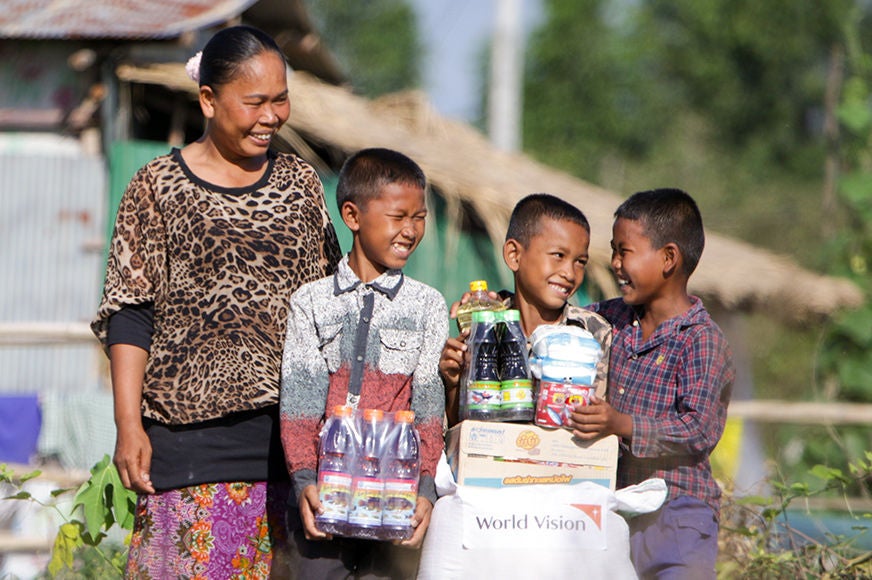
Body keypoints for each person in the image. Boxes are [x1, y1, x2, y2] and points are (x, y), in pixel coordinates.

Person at [91, 25, 342, 579]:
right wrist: (127, 425)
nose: (272, 116)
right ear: (208, 99)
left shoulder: (300, 184)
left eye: (281, 99)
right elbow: (130, 312)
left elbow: (332, 302)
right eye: (255, 102)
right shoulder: (156, 186)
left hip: (293, 455)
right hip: (187, 453)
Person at [280, 148, 448, 578]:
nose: (411, 230)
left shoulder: (428, 305)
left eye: (420, 217)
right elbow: (299, 402)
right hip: (324, 497)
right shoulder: (311, 302)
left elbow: (430, 404)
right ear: (353, 216)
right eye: (398, 216)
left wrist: (425, 490)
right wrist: (304, 481)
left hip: (395, 500)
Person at [570, 188, 735, 579]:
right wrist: (500, 304)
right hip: (617, 510)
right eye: (613, 250)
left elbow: (698, 429)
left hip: (677, 516)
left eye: (624, 251)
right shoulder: (612, 319)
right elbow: (560, 317)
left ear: (668, 258)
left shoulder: (701, 339)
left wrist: (622, 425)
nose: (613, 263)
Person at [439, 193, 612, 426]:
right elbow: (461, 424)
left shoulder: (591, 332)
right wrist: (453, 382)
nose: (570, 274)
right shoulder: (486, 326)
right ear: (514, 255)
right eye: (558, 256)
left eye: (580, 262)